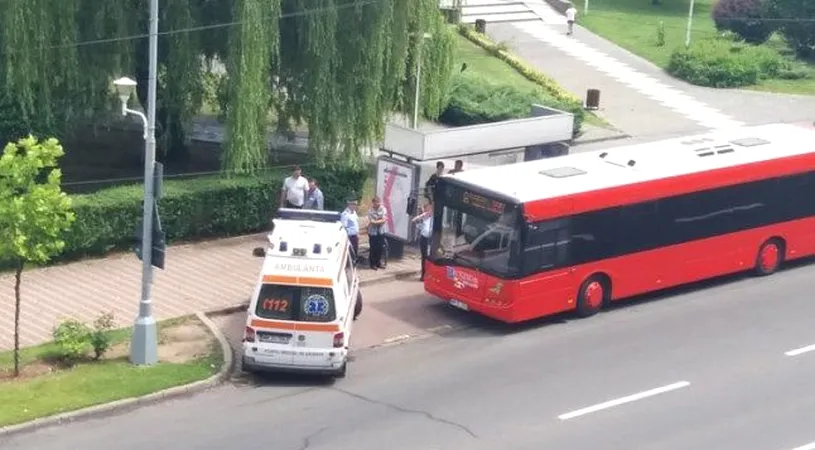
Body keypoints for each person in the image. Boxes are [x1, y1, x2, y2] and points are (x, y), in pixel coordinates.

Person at [411, 202, 433, 281]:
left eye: (429, 209)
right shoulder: (424, 217)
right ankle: (423, 274)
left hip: (431, 239)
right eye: (426, 209)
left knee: (430, 258)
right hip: (424, 238)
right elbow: (413, 220)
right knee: (424, 257)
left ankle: (429, 274)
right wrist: (423, 215)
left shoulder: (434, 217)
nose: (428, 211)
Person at [367, 196, 388, 270]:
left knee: (380, 248)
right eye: (376, 202)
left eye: (379, 202)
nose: (378, 204)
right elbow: (372, 222)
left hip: (381, 231)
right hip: (373, 232)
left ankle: (378, 263)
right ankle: (372, 264)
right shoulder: (370, 211)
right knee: (373, 248)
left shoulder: (383, 209)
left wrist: (377, 221)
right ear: (373, 203)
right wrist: (379, 220)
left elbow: (384, 220)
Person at [341, 198, 360, 263]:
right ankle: (348, 265)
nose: (356, 206)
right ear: (350, 204)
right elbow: (344, 227)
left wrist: (357, 234)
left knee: (355, 252)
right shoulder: (345, 214)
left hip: (355, 236)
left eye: (356, 204)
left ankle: (353, 263)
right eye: (354, 204)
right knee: (349, 252)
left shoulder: (354, 212)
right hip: (349, 237)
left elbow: (356, 223)